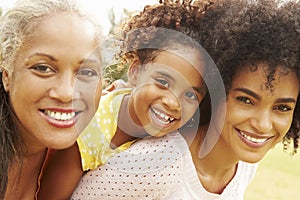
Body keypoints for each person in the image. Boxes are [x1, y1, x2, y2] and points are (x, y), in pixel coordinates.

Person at [70, 0, 300, 199]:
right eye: (245, 100)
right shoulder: (154, 164)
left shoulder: (244, 164)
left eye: (282, 107)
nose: (263, 125)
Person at [38, 1, 224, 199]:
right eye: (162, 81)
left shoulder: (176, 131)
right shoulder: (90, 132)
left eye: (190, 95)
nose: (172, 102)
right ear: (135, 71)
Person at [0, 0, 104, 199]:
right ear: (7, 75)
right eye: (43, 68)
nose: (67, 94)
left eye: (86, 72)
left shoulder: (83, 150)